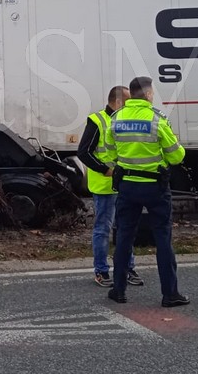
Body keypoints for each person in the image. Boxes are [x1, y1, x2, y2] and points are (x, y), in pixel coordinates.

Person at [104, 77, 189, 307]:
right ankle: (170, 294)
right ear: (149, 95)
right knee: (162, 237)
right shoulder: (157, 119)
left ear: (130, 95)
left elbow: (108, 152)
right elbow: (176, 156)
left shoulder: (116, 119)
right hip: (155, 187)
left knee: (124, 237)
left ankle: (119, 290)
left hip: (127, 187)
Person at [77, 85, 142, 288]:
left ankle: (127, 268)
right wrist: (104, 169)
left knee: (125, 228)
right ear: (118, 101)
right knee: (103, 229)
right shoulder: (97, 120)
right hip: (105, 185)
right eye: (128, 100)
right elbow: (83, 152)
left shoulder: (125, 119)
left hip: (125, 184)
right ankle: (102, 270)